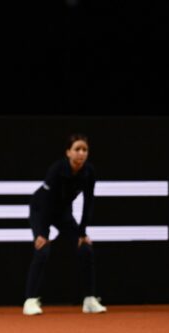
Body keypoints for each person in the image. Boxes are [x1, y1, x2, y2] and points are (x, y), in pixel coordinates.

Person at [23, 133, 107, 316]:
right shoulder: (57, 169)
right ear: (68, 152)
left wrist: (82, 232)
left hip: (63, 214)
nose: (81, 153)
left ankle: (89, 300)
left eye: (85, 150)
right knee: (42, 249)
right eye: (77, 149)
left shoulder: (89, 172)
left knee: (85, 248)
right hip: (41, 209)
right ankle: (30, 301)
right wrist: (41, 233)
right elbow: (45, 202)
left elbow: (88, 203)